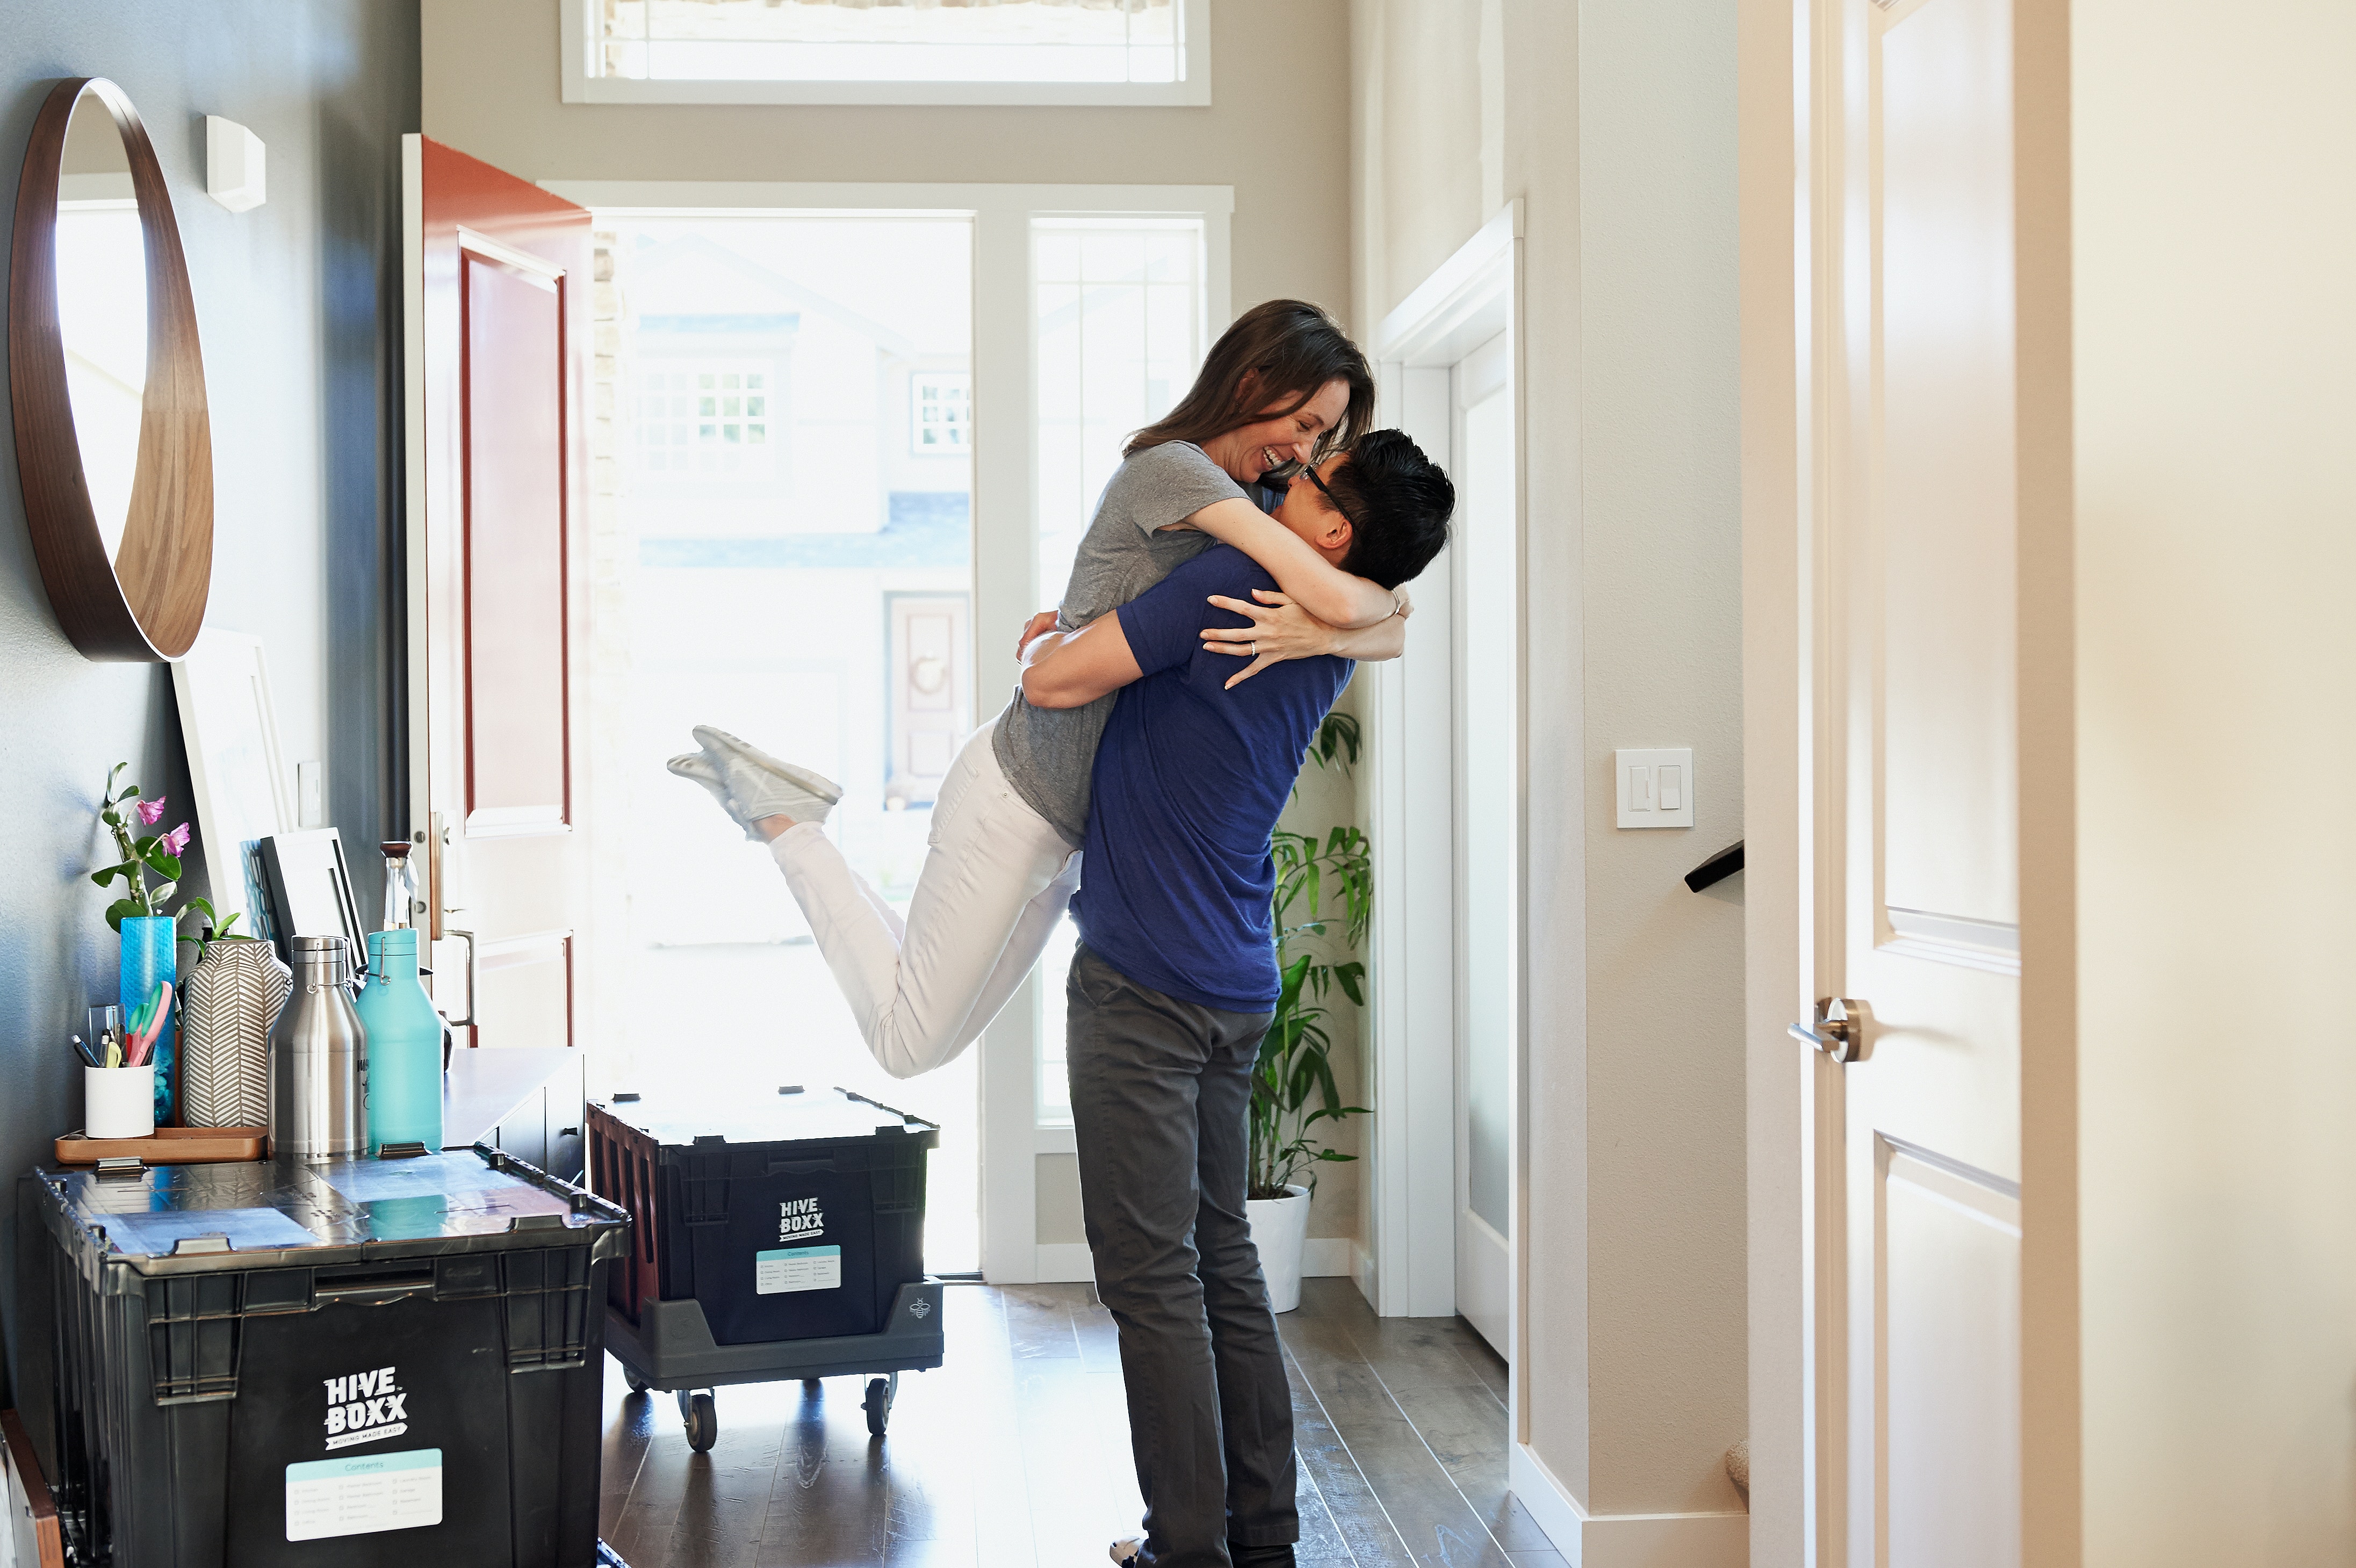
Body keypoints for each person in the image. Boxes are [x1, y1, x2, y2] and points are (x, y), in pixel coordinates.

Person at [669, 300, 1436, 1078]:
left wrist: (1326, 632)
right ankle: (786, 821)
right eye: (1304, 423)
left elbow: (1393, 619)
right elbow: (1352, 594)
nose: (1302, 454)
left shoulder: (1265, 498)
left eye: (1318, 438)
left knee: (932, 1031)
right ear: (1251, 381)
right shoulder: (1177, 472)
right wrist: (1338, 621)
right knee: (906, 1047)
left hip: (1067, 833)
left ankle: (792, 815)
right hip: (1019, 792)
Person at [1019, 430, 1454, 1568]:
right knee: (1219, 1258)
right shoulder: (1345, 627)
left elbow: (1057, 679)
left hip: (1143, 979)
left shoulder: (1236, 580)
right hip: (1233, 975)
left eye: (1306, 479)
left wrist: (1049, 646)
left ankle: (1189, 1548)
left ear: (1332, 530)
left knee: (1152, 1274)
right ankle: (1261, 1535)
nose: (1280, 481)